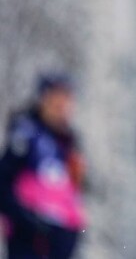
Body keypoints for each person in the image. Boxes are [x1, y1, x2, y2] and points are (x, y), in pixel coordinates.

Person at [0, 73, 86, 259]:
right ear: (43, 100)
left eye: (66, 100)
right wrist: (28, 220)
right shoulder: (26, 134)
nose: (62, 107)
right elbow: (3, 182)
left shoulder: (69, 141)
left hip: (60, 240)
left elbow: (72, 190)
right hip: (30, 242)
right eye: (56, 100)